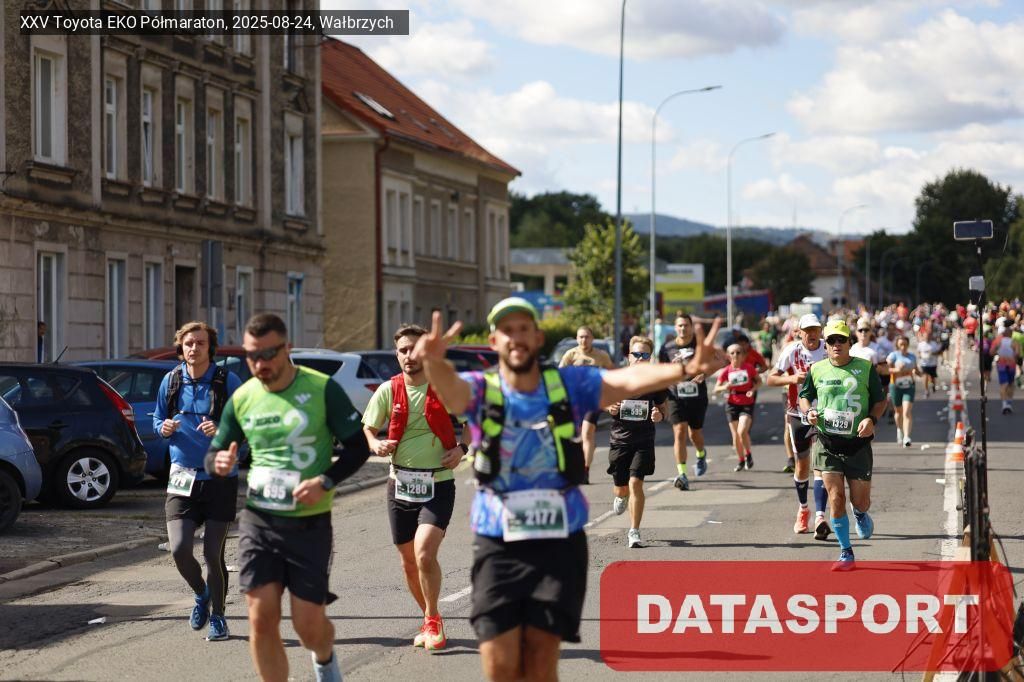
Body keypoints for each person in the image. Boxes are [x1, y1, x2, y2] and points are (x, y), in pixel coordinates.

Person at [415, 297, 726, 682]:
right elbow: (452, 391)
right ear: (495, 341)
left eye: (524, 329)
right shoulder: (482, 389)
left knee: (542, 660)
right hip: (498, 541)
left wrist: (685, 369)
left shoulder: (568, 385)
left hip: (559, 542)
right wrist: (432, 361)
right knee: (498, 663)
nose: (516, 337)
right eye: (507, 331)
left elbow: (625, 381)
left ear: (538, 338)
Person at [205, 313, 371, 682]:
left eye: (268, 354)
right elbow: (215, 451)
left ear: (287, 349)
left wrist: (325, 481)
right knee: (261, 618)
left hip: (309, 524)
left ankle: (324, 659)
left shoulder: (323, 388)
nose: (260, 363)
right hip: (259, 521)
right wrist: (218, 462)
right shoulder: (243, 397)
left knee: (308, 625)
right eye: (252, 356)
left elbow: (358, 448)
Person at [362, 324, 465, 651]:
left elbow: (475, 422)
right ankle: (430, 618)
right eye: (403, 350)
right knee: (409, 561)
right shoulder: (388, 390)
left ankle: (432, 618)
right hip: (400, 484)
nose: (409, 356)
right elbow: (368, 428)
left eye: (414, 349)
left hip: (438, 483)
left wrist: (462, 448)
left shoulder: (443, 387)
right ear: (397, 354)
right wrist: (375, 444)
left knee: (424, 553)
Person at [155, 321, 243, 642]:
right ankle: (201, 593)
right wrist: (163, 428)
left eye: (200, 343)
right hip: (182, 477)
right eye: (189, 343)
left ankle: (218, 617)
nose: (194, 348)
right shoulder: (171, 380)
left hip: (220, 479)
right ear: (181, 347)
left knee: (211, 555)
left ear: (210, 348)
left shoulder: (227, 381)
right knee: (179, 549)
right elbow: (157, 418)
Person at [800, 319, 886, 569]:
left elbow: (880, 400)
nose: (836, 344)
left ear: (850, 342)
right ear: (825, 345)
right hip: (827, 442)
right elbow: (805, 396)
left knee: (861, 501)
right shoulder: (816, 370)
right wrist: (809, 412)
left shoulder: (865, 367)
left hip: (858, 444)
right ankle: (846, 552)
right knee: (836, 496)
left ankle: (859, 513)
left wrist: (871, 419)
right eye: (831, 340)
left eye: (841, 340)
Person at [766, 314, 828, 537]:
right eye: (807, 330)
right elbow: (771, 379)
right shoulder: (792, 351)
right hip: (797, 414)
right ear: (799, 333)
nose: (812, 334)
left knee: (821, 464)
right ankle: (803, 509)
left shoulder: (829, 348)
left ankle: (820, 516)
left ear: (820, 331)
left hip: (823, 414)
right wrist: (792, 379)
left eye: (815, 330)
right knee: (802, 465)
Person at [606, 336, 668, 549]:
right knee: (621, 488)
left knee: (636, 483)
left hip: (644, 440)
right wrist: (610, 408)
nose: (641, 358)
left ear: (650, 358)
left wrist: (660, 415)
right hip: (619, 440)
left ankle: (634, 530)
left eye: (645, 355)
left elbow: (664, 408)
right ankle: (621, 496)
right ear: (629, 357)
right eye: (637, 354)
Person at [658, 314, 711, 490]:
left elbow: (711, 363)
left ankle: (701, 454)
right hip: (676, 396)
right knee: (680, 432)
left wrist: (704, 374)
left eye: (686, 325)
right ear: (675, 328)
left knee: (694, 434)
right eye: (680, 325)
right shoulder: (667, 348)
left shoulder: (699, 345)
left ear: (691, 326)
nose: (683, 328)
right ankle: (682, 473)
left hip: (697, 396)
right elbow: (662, 371)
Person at [558, 326, 614, 484]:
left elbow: (611, 374)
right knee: (576, 437)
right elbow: (559, 375)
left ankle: (585, 470)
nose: (584, 340)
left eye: (587, 337)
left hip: (592, 400)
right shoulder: (571, 355)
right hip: (574, 401)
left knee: (588, 433)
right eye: (581, 337)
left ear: (592, 338)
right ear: (577, 339)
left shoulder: (601, 355)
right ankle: (573, 466)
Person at [715, 343, 761, 471]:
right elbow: (716, 389)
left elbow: (759, 381)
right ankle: (741, 460)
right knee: (735, 436)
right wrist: (725, 387)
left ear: (743, 355)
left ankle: (748, 454)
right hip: (732, 403)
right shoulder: (726, 371)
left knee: (742, 431)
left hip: (746, 402)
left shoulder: (749, 368)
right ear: (728, 356)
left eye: (738, 352)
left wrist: (752, 389)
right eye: (732, 353)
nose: (735, 355)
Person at [886, 335, 919, 448]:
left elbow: (917, 370)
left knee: (906, 412)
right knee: (898, 412)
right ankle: (899, 429)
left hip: (909, 386)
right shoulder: (893, 356)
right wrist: (897, 369)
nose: (903, 347)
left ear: (908, 345)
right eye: (901, 344)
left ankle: (907, 437)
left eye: (905, 344)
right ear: (897, 345)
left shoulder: (912, 356)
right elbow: (886, 370)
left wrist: (918, 373)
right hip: (896, 386)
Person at [993, 325, 1021, 414]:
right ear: (1011, 334)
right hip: (1011, 365)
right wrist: (1012, 357)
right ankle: (1009, 403)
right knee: (1011, 384)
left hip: (1001, 365)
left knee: (1003, 384)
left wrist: (999, 354)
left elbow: (991, 352)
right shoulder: (1014, 342)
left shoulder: (998, 341)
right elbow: (1018, 354)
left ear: (1004, 334)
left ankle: (1004, 404)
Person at [917, 332, 941, 398]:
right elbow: (918, 352)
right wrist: (920, 356)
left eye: (928, 336)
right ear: (923, 337)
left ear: (930, 337)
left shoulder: (934, 344)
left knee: (932, 377)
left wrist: (932, 353)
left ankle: (933, 384)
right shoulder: (921, 344)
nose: (927, 338)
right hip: (924, 363)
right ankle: (926, 390)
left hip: (933, 363)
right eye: (925, 336)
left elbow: (939, 352)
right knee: (925, 376)